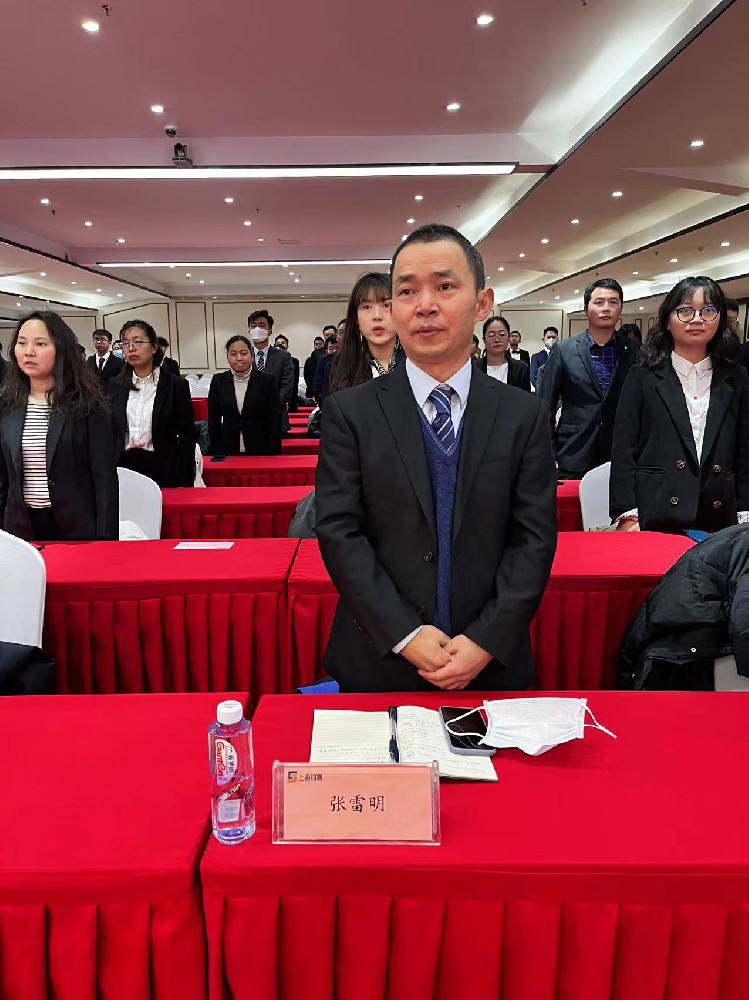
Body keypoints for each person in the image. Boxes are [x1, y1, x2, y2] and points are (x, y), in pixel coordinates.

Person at [315, 223, 557, 692]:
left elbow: (534, 540)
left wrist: (485, 639)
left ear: (482, 304)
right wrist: (404, 634)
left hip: (489, 663)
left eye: (445, 287)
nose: (424, 305)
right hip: (378, 659)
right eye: (407, 291)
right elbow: (340, 533)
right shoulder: (350, 413)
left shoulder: (524, 415)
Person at [610, 276, 749, 534]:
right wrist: (627, 514)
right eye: (685, 311)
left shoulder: (737, 377)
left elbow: (744, 450)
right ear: (667, 319)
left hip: (719, 515)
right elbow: (623, 450)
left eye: (708, 310)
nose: (697, 319)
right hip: (654, 511)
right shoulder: (643, 375)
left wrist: (744, 512)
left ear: (720, 319)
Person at [0, 311, 118, 541]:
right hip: (20, 527)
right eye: (22, 343)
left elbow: (104, 479)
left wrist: (106, 540)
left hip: (77, 527)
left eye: (40, 344)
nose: (28, 351)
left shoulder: (87, 404)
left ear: (61, 349)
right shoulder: (7, 404)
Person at [538, 279, 639, 479]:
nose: (606, 308)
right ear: (586, 309)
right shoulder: (564, 350)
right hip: (573, 451)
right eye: (599, 302)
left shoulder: (635, 351)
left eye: (613, 302)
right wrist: (548, 453)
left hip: (621, 453)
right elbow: (546, 405)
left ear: (621, 308)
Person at [109, 320, 195, 487]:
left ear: (154, 347)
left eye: (137, 342)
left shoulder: (176, 386)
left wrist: (186, 480)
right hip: (123, 467)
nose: (131, 348)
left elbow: (187, 436)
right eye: (125, 343)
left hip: (163, 468)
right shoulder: (115, 385)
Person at [328, 272, 402, 395]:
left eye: (386, 305)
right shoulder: (339, 365)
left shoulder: (418, 362)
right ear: (356, 317)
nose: (377, 316)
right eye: (367, 307)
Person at [207, 335, 281, 455]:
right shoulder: (218, 381)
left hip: (260, 448)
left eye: (244, 353)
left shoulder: (267, 380)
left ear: (252, 356)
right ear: (227, 357)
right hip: (228, 449)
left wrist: (273, 452)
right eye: (233, 354)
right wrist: (215, 450)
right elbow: (213, 419)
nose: (239, 358)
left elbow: (274, 419)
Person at [247, 310, 293, 433]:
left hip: (276, 418)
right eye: (253, 326)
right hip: (249, 418)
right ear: (249, 331)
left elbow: (286, 386)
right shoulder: (243, 356)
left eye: (261, 325)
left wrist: (272, 406)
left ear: (270, 331)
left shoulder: (283, 356)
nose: (257, 329)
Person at [477, 316, 531, 391]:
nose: (497, 339)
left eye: (502, 335)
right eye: (491, 335)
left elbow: (526, 396)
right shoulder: (474, 368)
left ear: (508, 339)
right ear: (484, 340)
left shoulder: (521, 368)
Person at [313, 326, 344, 406]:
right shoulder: (323, 360)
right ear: (326, 350)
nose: (334, 351)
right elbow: (318, 386)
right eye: (331, 348)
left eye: (337, 348)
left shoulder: (346, 360)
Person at [273, 333, 300, 411]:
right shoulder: (271, 360)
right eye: (278, 343)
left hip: (290, 397)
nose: (280, 344)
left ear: (287, 346)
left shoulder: (294, 361)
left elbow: (294, 383)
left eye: (283, 343)